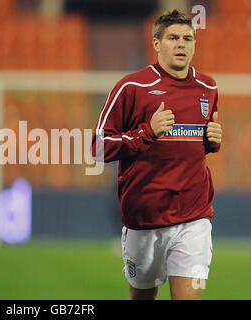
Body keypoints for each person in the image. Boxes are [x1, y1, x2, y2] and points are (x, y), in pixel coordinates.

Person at [92, 10, 222, 300]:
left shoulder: (208, 87)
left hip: (194, 218)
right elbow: (98, 148)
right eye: (173, 38)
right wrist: (145, 132)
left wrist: (213, 142)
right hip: (145, 220)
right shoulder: (132, 87)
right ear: (156, 43)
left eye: (188, 38)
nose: (181, 44)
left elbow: (197, 142)